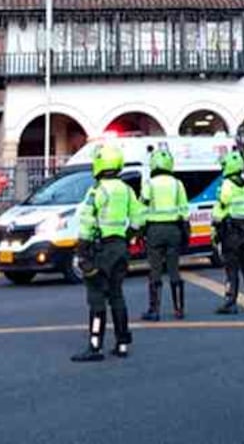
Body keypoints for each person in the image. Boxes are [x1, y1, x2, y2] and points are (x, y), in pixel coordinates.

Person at [71, 144, 145, 362]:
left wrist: (82, 250)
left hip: (100, 249)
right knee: (117, 295)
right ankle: (122, 344)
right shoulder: (127, 190)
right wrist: (126, 235)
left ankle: (95, 346)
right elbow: (140, 217)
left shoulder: (97, 190)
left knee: (96, 297)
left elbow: (87, 220)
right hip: (120, 248)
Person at [139, 148, 189, 321]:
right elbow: (184, 210)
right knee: (174, 269)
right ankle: (179, 309)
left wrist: (139, 229)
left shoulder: (149, 184)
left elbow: (142, 209)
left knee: (155, 270)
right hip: (174, 230)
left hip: (154, 231)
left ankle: (154, 310)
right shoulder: (177, 184)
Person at [214, 151, 244, 315]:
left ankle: (230, 302)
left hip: (232, 231)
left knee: (231, 269)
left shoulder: (226, 184)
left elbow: (223, 205)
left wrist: (215, 221)